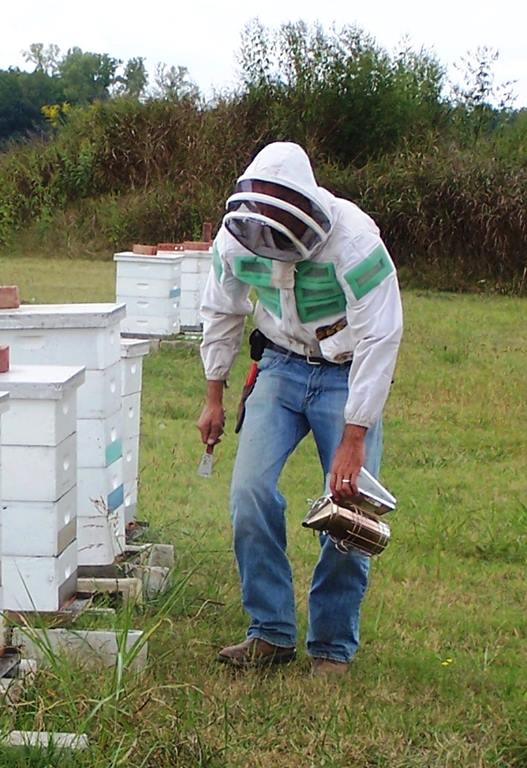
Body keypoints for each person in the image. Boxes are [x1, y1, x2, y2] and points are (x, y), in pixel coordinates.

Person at [196, 141, 403, 676]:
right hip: (279, 368)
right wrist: (214, 395)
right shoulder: (235, 239)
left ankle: (332, 647)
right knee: (249, 492)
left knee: (350, 512)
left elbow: (382, 335)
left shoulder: (356, 241)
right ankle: (270, 632)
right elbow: (221, 308)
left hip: (345, 371)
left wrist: (353, 439)